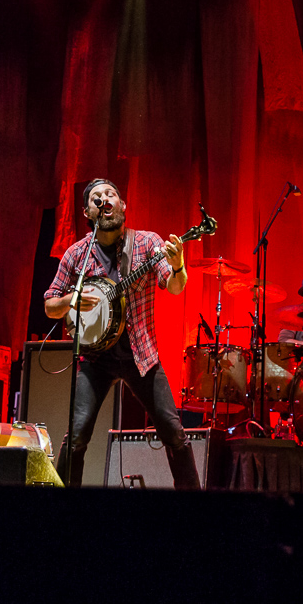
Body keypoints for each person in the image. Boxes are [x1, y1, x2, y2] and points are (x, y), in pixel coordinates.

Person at [44, 178, 198, 488]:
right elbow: (50, 305)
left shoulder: (145, 243)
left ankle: (195, 507)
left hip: (141, 356)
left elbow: (175, 286)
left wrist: (178, 264)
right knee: (76, 437)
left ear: (123, 205)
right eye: (97, 197)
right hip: (95, 358)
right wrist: (72, 299)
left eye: (111, 194)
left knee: (174, 434)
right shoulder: (77, 254)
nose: (105, 199)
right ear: (89, 211)